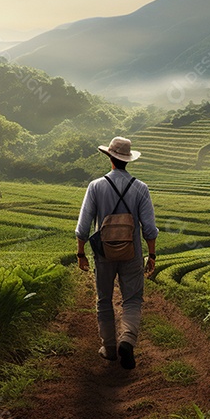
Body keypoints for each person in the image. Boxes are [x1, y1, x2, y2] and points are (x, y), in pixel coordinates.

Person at [74, 136, 158, 370]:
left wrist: (81, 254)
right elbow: (149, 228)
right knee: (132, 299)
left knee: (104, 299)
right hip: (132, 253)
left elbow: (83, 227)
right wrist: (151, 255)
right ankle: (127, 341)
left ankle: (110, 348)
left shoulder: (96, 186)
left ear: (110, 158)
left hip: (104, 253)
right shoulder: (141, 188)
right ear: (127, 161)